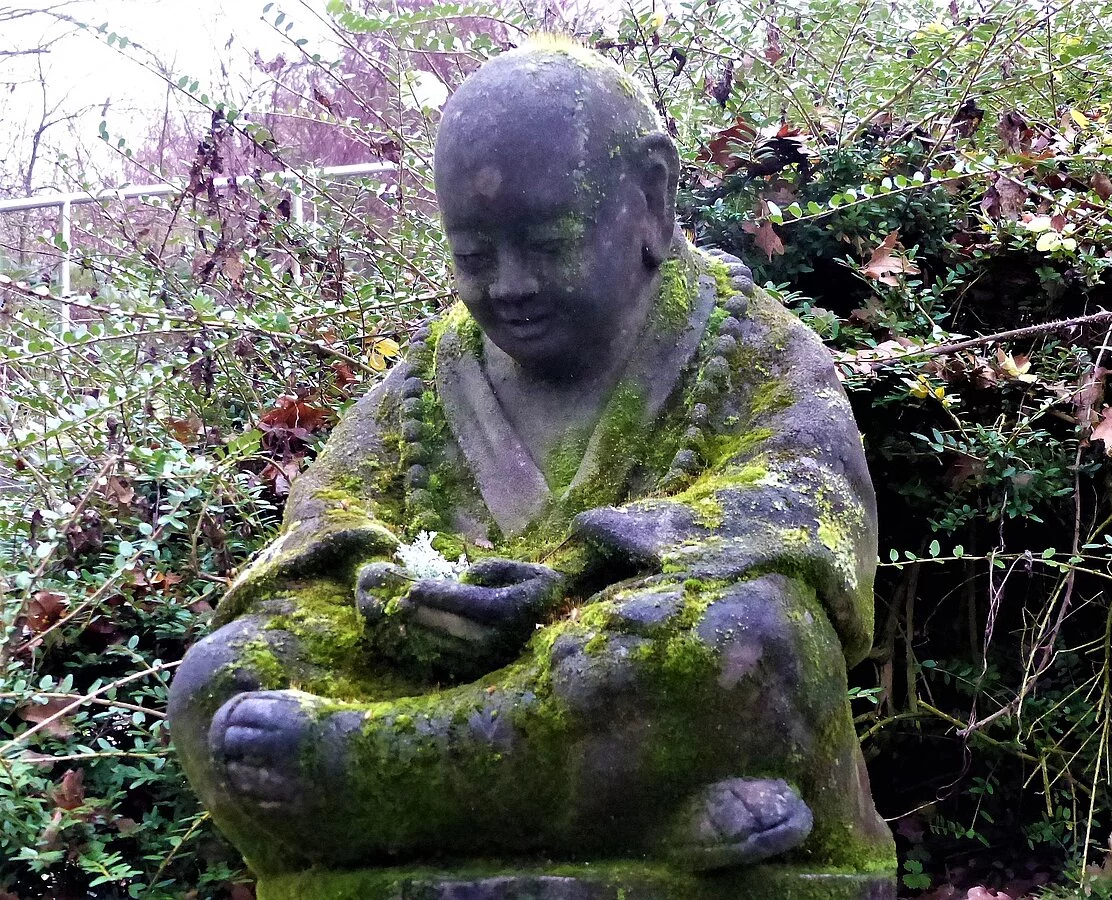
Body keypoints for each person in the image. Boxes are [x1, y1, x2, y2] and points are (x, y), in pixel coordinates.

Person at [168, 37, 894, 892]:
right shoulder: (431, 377)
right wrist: (386, 588)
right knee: (219, 679)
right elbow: (325, 524)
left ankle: (377, 779)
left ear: (652, 198)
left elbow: (807, 508)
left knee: (750, 637)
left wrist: (582, 573)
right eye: (474, 256)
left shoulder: (749, 345)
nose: (508, 284)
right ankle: (628, 808)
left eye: (548, 242)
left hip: (619, 668)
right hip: (456, 682)